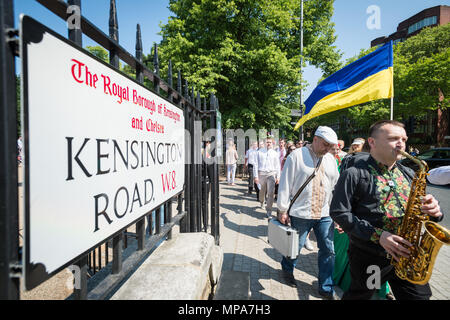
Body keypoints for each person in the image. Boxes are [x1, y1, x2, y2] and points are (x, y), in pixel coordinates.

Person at [330, 120, 444, 300]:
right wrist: (379, 236)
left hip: (406, 256)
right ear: (372, 142)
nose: (401, 144)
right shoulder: (354, 173)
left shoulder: (409, 173)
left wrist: (434, 212)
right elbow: (339, 213)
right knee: (366, 296)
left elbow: (420, 212)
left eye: (404, 139)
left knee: (420, 297)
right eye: (393, 138)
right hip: (372, 258)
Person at [277, 126, 340, 299]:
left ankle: (326, 288)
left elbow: (335, 187)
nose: (328, 149)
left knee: (328, 250)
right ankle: (287, 269)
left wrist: (336, 213)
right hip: (301, 212)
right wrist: (282, 209)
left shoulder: (331, 160)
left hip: (325, 213)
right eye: (325, 144)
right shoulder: (296, 156)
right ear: (315, 139)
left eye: (330, 146)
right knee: (295, 248)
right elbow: (285, 184)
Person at [254, 137, 281, 218]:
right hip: (261, 173)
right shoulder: (259, 152)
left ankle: (269, 210)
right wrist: (255, 176)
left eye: (270, 142)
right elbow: (256, 164)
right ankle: (262, 201)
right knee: (262, 191)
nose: (268, 143)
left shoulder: (275, 153)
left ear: (272, 143)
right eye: (267, 142)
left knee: (271, 193)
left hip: (271, 174)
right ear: (265, 143)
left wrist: (278, 177)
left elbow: (277, 166)